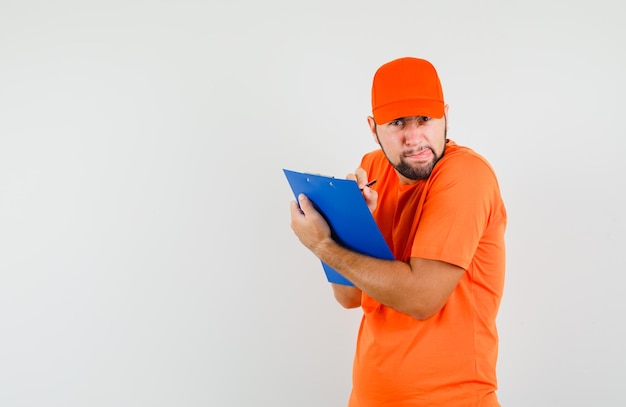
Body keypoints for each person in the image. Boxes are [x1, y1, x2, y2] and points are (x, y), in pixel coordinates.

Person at [289, 56, 507, 406]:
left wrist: (324, 246)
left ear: (445, 116)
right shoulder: (372, 167)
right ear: (373, 128)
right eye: (397, 123)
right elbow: (349, 298)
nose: (414, 137)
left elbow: (422, 299)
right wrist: (350, 224)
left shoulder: (467, 175)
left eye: (425, 119)